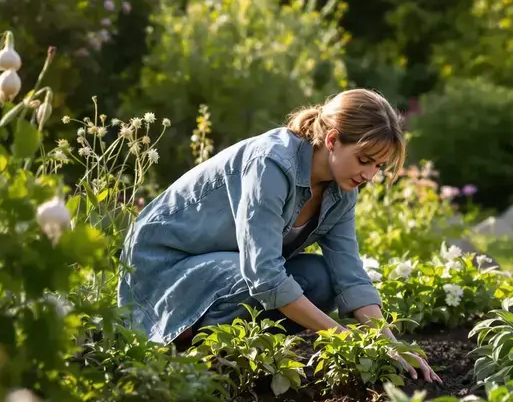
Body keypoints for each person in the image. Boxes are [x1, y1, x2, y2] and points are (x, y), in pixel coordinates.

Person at [116, 88, 439, 382]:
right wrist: (347, 340)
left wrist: (390, 345)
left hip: (225, 267)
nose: (369, 175)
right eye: (364, 160)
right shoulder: (271, 164)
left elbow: (349, 274)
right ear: (332, 141)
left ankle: (235, 351)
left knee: (320, 278)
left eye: (379, 166)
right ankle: (194, 357)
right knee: (252, 278)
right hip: (163, 269)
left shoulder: (341, 192)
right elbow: (264, 275)